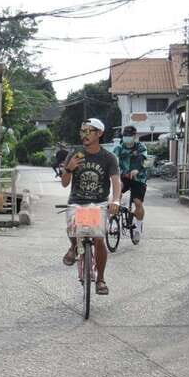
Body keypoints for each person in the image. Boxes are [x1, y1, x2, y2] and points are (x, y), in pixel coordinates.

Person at [60, 118, 121, 295]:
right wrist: (69, 169)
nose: (84, 135)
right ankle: (73, 247)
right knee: (72, 227)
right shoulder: (75, 155)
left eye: (89, 131)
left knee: (98, 239)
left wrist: (115, 200)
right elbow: (65, 183)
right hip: (77, 202)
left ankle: (100, 279)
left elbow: (116, 182)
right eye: (82, 131)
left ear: (99, 134)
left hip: (99, 203)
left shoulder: (108, 158)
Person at [113, 125, 148, 241]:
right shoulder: (119, 148)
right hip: (124, 176)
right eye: (125, 136)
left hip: (139, 178)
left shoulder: (141, 147)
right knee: (116, 196)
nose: (127, 138)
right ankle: (113, 223)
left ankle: (138, 229)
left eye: (130, 136)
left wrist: (137, 169)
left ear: (134, 136)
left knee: (137, 203)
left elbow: (142, 159)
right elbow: (114, 159)